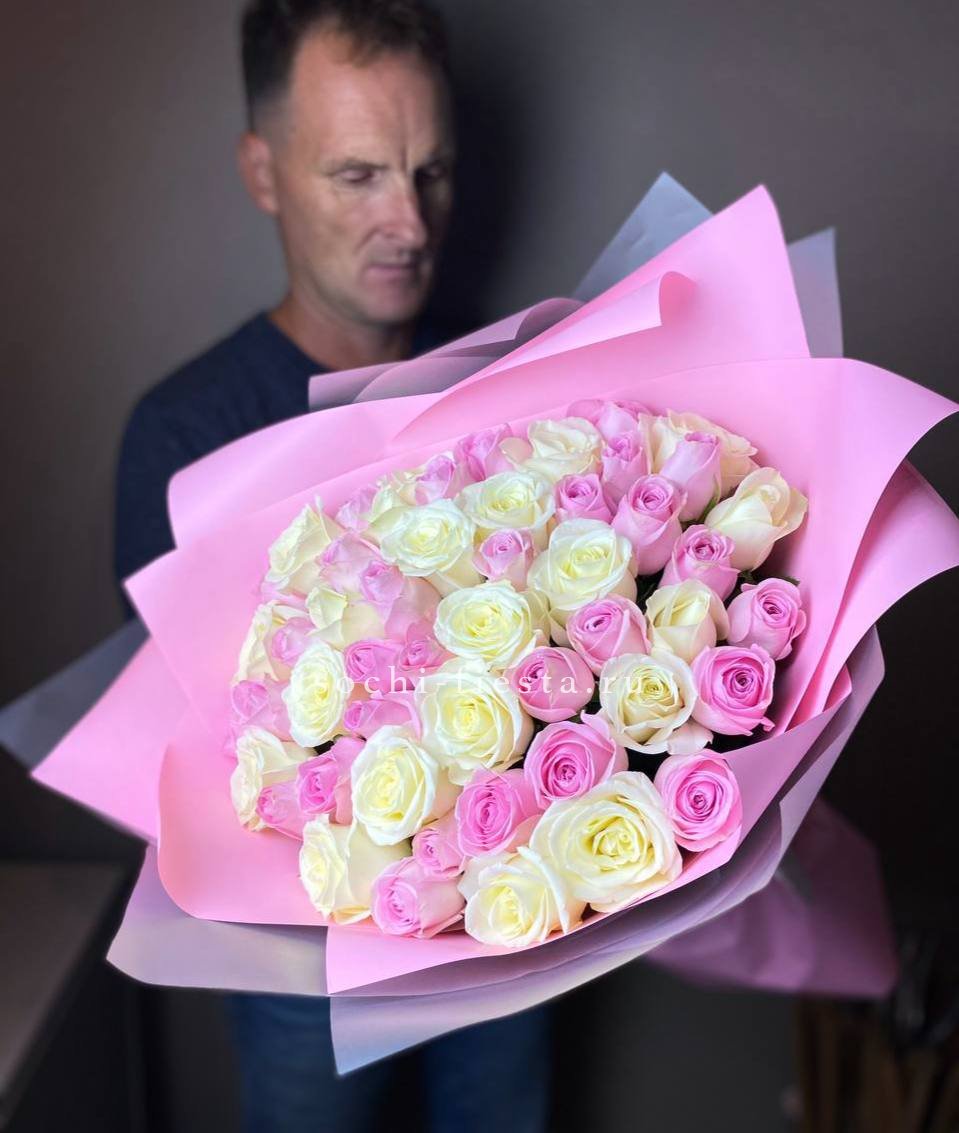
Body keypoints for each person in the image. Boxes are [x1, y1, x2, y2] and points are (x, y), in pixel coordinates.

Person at [113, 2, 551, 1131]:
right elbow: (167, 764)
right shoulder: (182, 436)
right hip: (294, 964)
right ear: (263, 173)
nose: (409, 221)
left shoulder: (516, 389)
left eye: (429, 171)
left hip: (514, 906)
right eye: (357, 175)